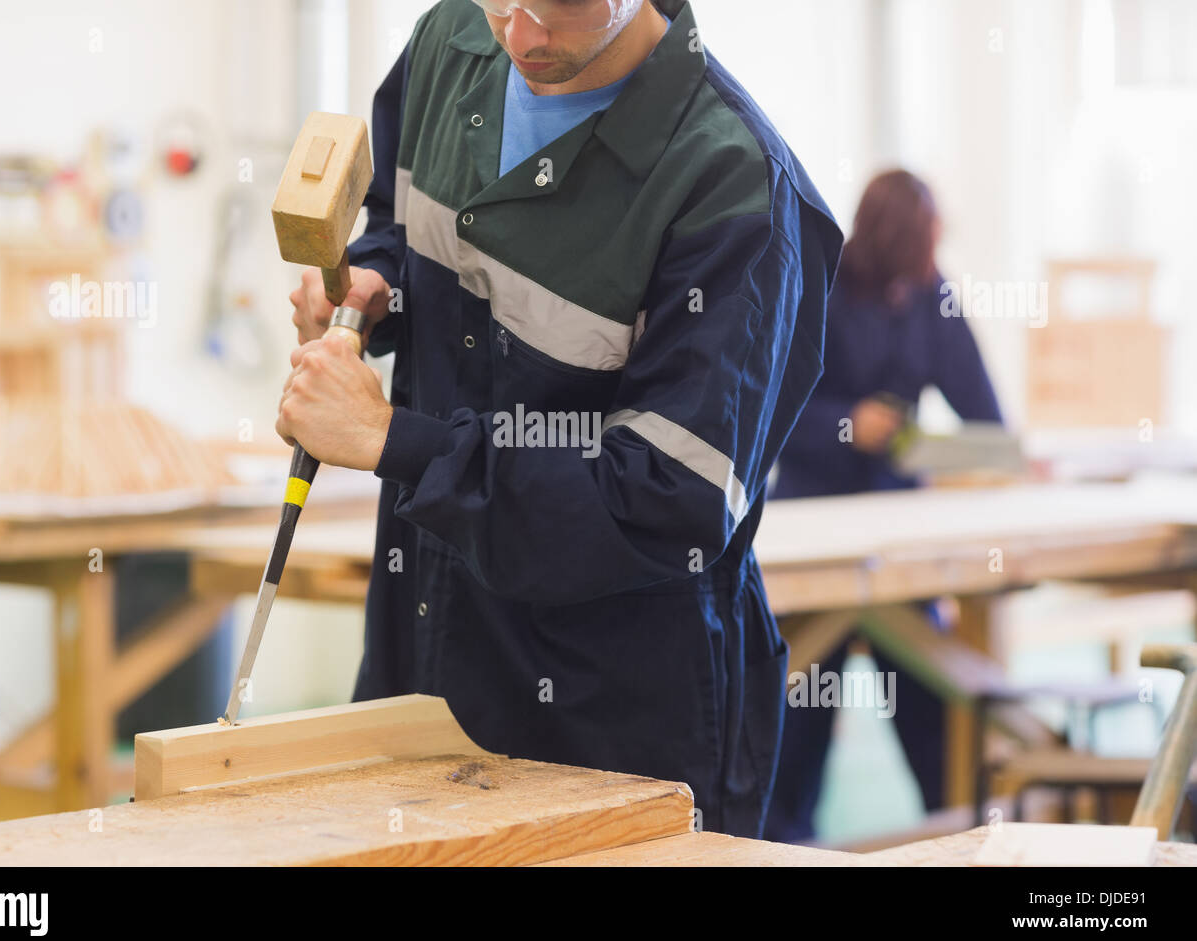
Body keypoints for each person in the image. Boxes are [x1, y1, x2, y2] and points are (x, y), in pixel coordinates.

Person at [278, 0, 842, 837]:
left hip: (613, 724)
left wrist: (394, 440)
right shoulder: (452, 41)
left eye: (565, 7)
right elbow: (398, 221)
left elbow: (658, 506)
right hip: (420, 658)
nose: (522, 36)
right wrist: (372, 283)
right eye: (505, 0)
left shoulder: (738, 193)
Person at [764, 169, 1004, 841]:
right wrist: (847, 423)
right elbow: (770, 412)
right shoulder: (821, 283)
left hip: (901, 538)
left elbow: (985, 423)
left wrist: (999, 457)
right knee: (800, 707)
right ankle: (783, 844)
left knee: (932, 699)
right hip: (813, 527)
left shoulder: (933, 294)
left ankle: (966, 833)